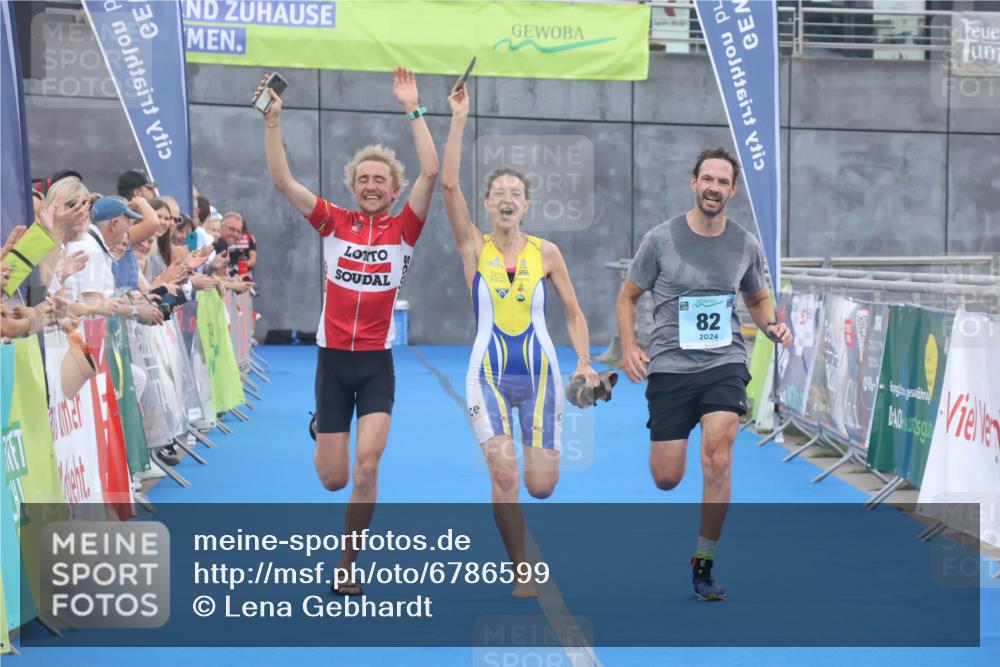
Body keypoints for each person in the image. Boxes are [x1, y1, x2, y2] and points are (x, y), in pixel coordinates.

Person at [259, 67, 438, 594]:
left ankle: (347, 564)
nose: (371, 185)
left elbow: (431, 172)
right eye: (363, 179)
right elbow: (283, 182)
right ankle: (322, 425)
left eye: (380, 179)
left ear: (394, 188)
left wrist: (413, 106)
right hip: (332, 361)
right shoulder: (333, 221)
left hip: (376, 362)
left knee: (366, 467)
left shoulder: (405, 227)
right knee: (333, 478)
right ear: (353, 186)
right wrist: (274, 124)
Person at [441, 82, 598, 597]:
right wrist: (459, 118)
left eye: (516, 194)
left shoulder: (547, 253)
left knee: (540, 486)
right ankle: (520, 569)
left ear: (526, 205)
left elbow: (573, 311)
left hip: (541, 380)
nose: (507, 200)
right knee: (505, 478)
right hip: (484, 376)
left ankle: (519, 502)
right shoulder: (473, 246)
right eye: (498, 193)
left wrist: (585, 362)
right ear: (486, 204)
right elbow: (447, 186)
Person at [616, 147, 792, 601]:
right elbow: (628, 296)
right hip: (671, 367)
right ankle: (671, 442)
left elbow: (756, 297)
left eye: (723, 181)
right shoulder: (660, 239)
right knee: (667, 477)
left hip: (723, 363)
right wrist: (632, 345)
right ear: (694, 183)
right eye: (707, 179)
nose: (714, 187)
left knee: (719, 455)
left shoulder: (744, 243)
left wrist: (771, 323)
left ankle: (704, 562)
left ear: (732, 190)